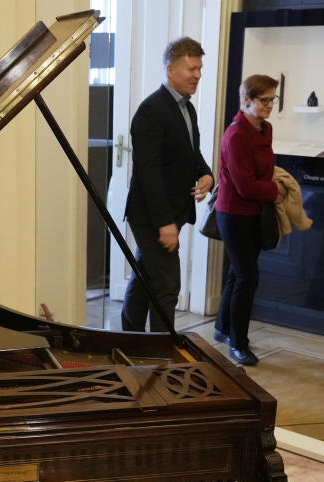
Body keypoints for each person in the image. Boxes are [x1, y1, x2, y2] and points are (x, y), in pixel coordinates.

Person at [121, 37, 213, 333]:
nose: (198, 75)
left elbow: (191, 152)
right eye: (191, 68)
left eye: (200, 68)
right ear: (170, 69)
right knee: (168, 286)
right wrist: (165, 224)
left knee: (144, 276)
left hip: (171, 212)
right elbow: (149, 173)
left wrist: (207, 174)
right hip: (152, 217)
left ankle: (129, 341)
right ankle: (162, 355)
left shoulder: (188, 109)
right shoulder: (151, 111)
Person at [212, 74, 287, 366]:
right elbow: (245, 185)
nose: (270, 105)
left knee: (237, 274)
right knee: (247, 277)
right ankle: (238, 344)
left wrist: (270, 186)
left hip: (254, 213)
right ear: (246, 100)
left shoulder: (264, 129)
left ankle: (222, 328)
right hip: (233, 215)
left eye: (273, 99)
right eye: (264, 99)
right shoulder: (236, 135)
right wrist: (275, 190)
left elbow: (264, 171)